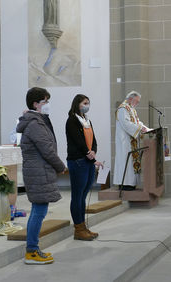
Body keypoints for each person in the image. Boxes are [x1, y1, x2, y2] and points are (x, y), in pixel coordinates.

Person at [16, 87, 66, 265]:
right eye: (45, 101)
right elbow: (47, 150)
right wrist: (61, 167)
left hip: (39, 171)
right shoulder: (35, 123)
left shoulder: (37, 120)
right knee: (38, 211)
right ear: (35, 104)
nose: (48, 105)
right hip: (39, 172)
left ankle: (33, 249)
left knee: (39, 210)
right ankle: (31, 252)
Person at [66, 94, 103, 241]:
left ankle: (83, 227)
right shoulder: (72, 120)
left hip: (88, 160)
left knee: (84, 195)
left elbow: (93, 140)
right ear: (78, 104)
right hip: (77, 161)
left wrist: (93, 151)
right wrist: (88, 153)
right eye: (85, 103)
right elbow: (78, 141)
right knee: (77, 196)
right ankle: (78, 229)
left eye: (88, 103)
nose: (87, 105)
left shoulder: (87, 120)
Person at [113, 91, 149, 190]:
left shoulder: (131, 109)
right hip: (124, 141)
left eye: (138, 101)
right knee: (125, 161)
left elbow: (137, 122)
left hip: (131, 140)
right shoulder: (123, 109)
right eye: (136, 101)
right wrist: (139, 129)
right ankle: (124, 184)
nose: (137, 103)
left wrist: (145, 128)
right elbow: (126, 124)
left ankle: (131, 184)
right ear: (130, 99)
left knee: (130, 162)